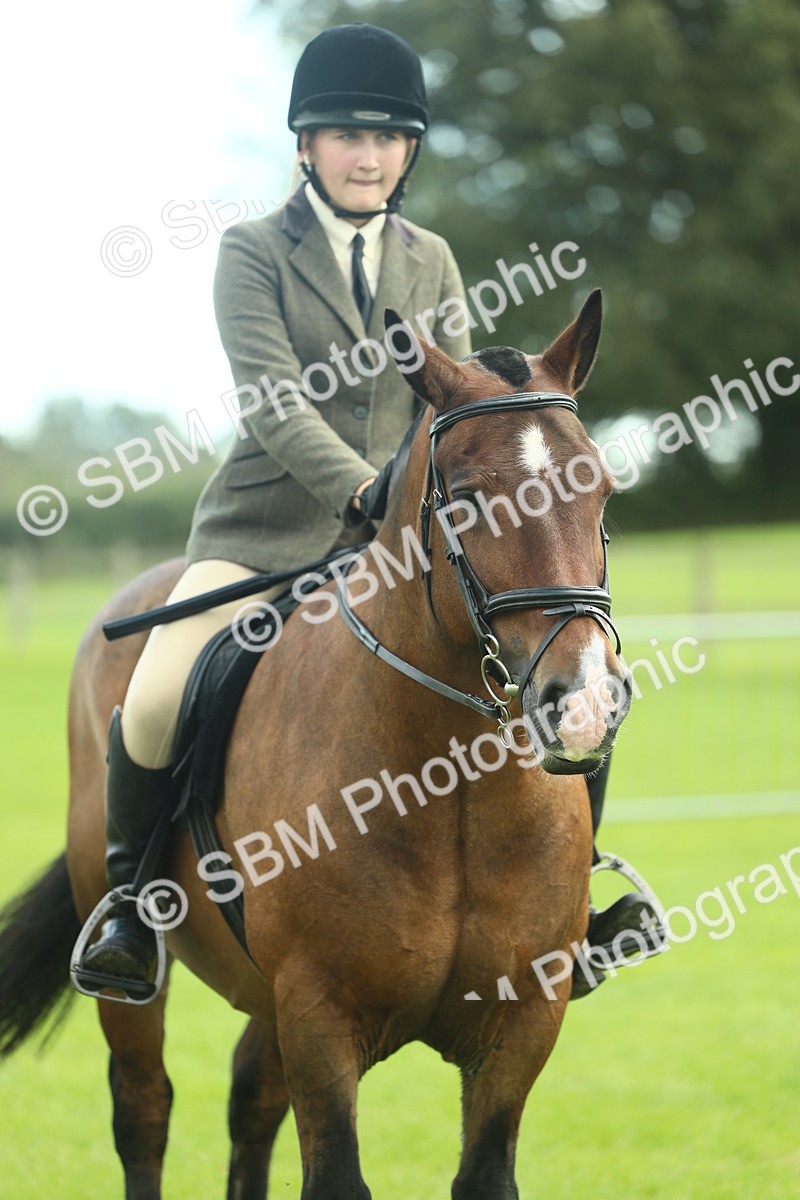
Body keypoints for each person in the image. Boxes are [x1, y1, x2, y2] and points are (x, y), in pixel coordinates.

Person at [77, 22, 662, 998]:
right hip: (261, 531)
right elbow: (271, 402)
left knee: (573, 666)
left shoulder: (428, 258)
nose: (367, 154)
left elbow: (458, 401)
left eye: (387, 139)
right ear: (303, 146)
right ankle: (133, 908)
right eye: (344, 135)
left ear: (409, 154)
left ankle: (577, 898)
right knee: (155, 694)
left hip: (401, 550)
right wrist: (359, 486)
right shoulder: (250, 252)